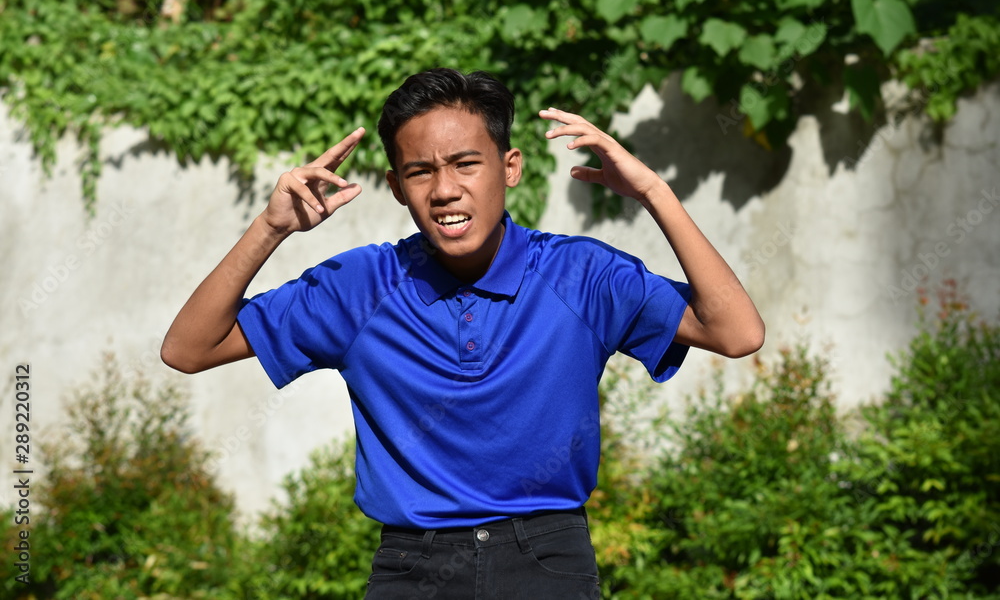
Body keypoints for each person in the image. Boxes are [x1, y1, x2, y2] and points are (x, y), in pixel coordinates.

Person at [161, 68, 764, 598]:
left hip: (549, 564)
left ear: (510, 167)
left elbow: (737, 332)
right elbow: (188, 349)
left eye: (465, 163)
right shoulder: (360, 287)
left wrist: (655, 193)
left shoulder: (580, 275)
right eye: (420, 172)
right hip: (410, 568)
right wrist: (270, 229)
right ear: (397, 188)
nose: (445, 189)